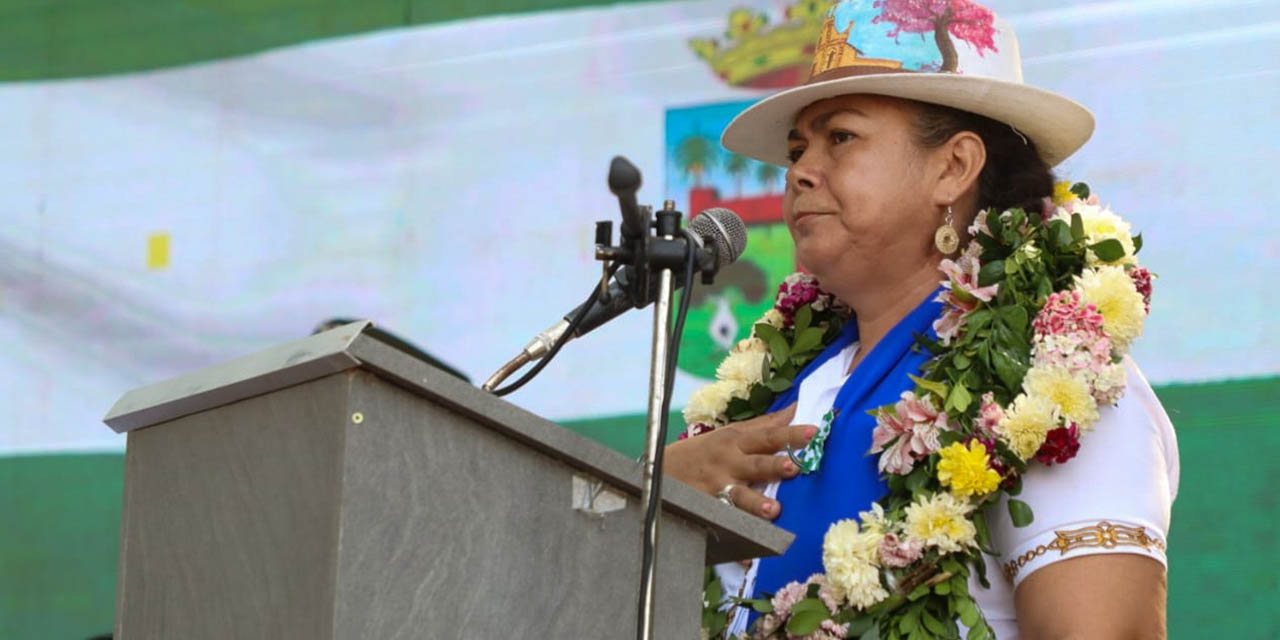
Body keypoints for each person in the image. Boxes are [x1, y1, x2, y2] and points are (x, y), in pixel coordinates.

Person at [666, 2, 1178, 638]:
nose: (799, 171)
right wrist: (658, 505)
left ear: (953, 167)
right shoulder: (793, 391)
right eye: (797, 149)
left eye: (840, 137)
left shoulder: (1054, 387)